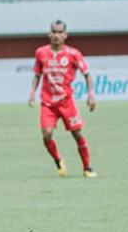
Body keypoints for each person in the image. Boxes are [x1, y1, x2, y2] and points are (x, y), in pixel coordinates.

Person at [28, 20, 96, 177]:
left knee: (77, 134)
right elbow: (37, 75)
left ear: (65, 35)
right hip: (48, 103)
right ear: (49, 34)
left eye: (60, 32)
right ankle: (58, 160)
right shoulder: (41, 53)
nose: (57, 35)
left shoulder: (73, 54)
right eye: (54, 32)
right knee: (46, 135)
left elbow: (87, 74)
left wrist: (91, 95)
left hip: (66, 102)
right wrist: (32, 92)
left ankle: (87, 167)